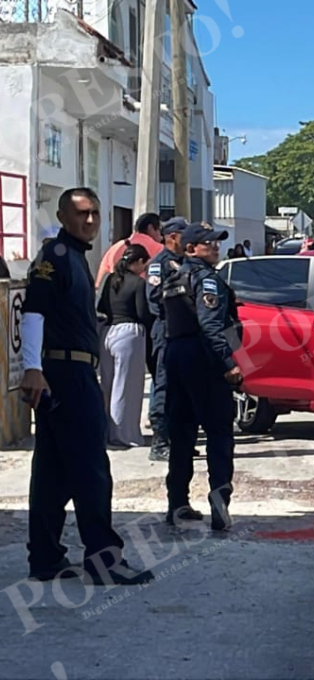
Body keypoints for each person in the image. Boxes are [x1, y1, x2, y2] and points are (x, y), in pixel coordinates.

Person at [20, 187, 154, 586]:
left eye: (95, 213)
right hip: (63, 374)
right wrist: (31, 368)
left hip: (71, 371)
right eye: (81, 213)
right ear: (63, 216)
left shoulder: (76, 257)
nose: (90, 220)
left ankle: (45, 558)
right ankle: (103, 560)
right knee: (93, 469)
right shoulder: (56, 256)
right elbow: (33, 312)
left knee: (53, 473)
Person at [162, 223, 242, 530]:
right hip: (203, 358)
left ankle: (177, 504)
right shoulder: (206, 280)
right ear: (191, 248)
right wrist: (228, 364)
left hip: (176, 355)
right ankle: (220, 507)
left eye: (217, 243)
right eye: (209, 243)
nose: (216, 248)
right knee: (219, 433)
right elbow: (211, 327)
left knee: (181, 435)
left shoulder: (172, 278)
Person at [97, 243, 152, 449]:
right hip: (129, 333)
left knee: (108, 385)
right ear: (138, 262)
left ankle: (108, 431)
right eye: (144, 265)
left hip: (108, 332)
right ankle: (125, 434)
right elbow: (142, 313)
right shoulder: (138, 284)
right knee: (126, 387)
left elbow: (101, 306)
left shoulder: (111, 280)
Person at [144, 217, 188, 462]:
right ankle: (159, 441)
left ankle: (177, 437)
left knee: (181, 387)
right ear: (172, 236)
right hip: (166, 330)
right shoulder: (159, 264)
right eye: (184, 234)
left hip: (184, 332)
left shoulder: (185, 262)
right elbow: (154, 299)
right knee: (164, 383)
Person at [96, 212, 163, 289]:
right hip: (142, 295)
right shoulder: (159, 249)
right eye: (159, 230)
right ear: (150, 228)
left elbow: (100, 281)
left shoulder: (115, 248)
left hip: (114, 294)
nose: (161, 235)